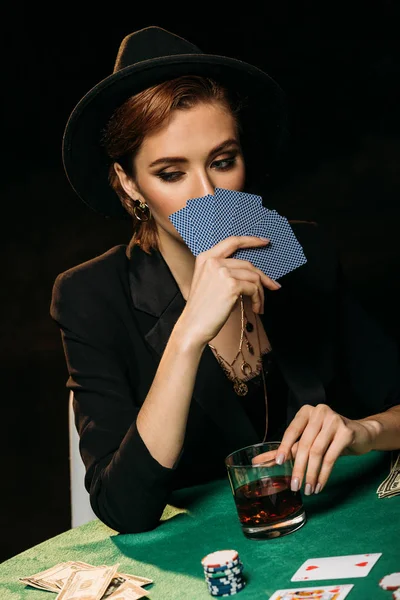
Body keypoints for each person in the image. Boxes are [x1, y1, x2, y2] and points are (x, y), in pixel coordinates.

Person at [50, 25, 400, 533]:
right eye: (171, 173)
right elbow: (124, 509)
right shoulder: (91, 297)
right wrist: (189, 334)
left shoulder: (304, 254)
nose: (208, 194)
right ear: (130, 184)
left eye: (222, 162)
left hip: (327, 534)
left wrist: (361, 431)